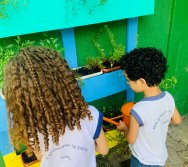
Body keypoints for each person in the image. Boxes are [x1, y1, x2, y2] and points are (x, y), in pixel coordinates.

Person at [4, 46, 109, 167]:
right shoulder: (90, 115)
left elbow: (40, 156)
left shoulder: (31, 129)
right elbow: (104, 150)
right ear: (64, 80)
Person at [117, 47, 182, 167]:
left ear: (142, 82)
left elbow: (131, 139)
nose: (127, 83)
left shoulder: (138, 110)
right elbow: (177, 120)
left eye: (128, 80)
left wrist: (125, 128)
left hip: (142, 160)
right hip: (160, 157)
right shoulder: (168, 97)